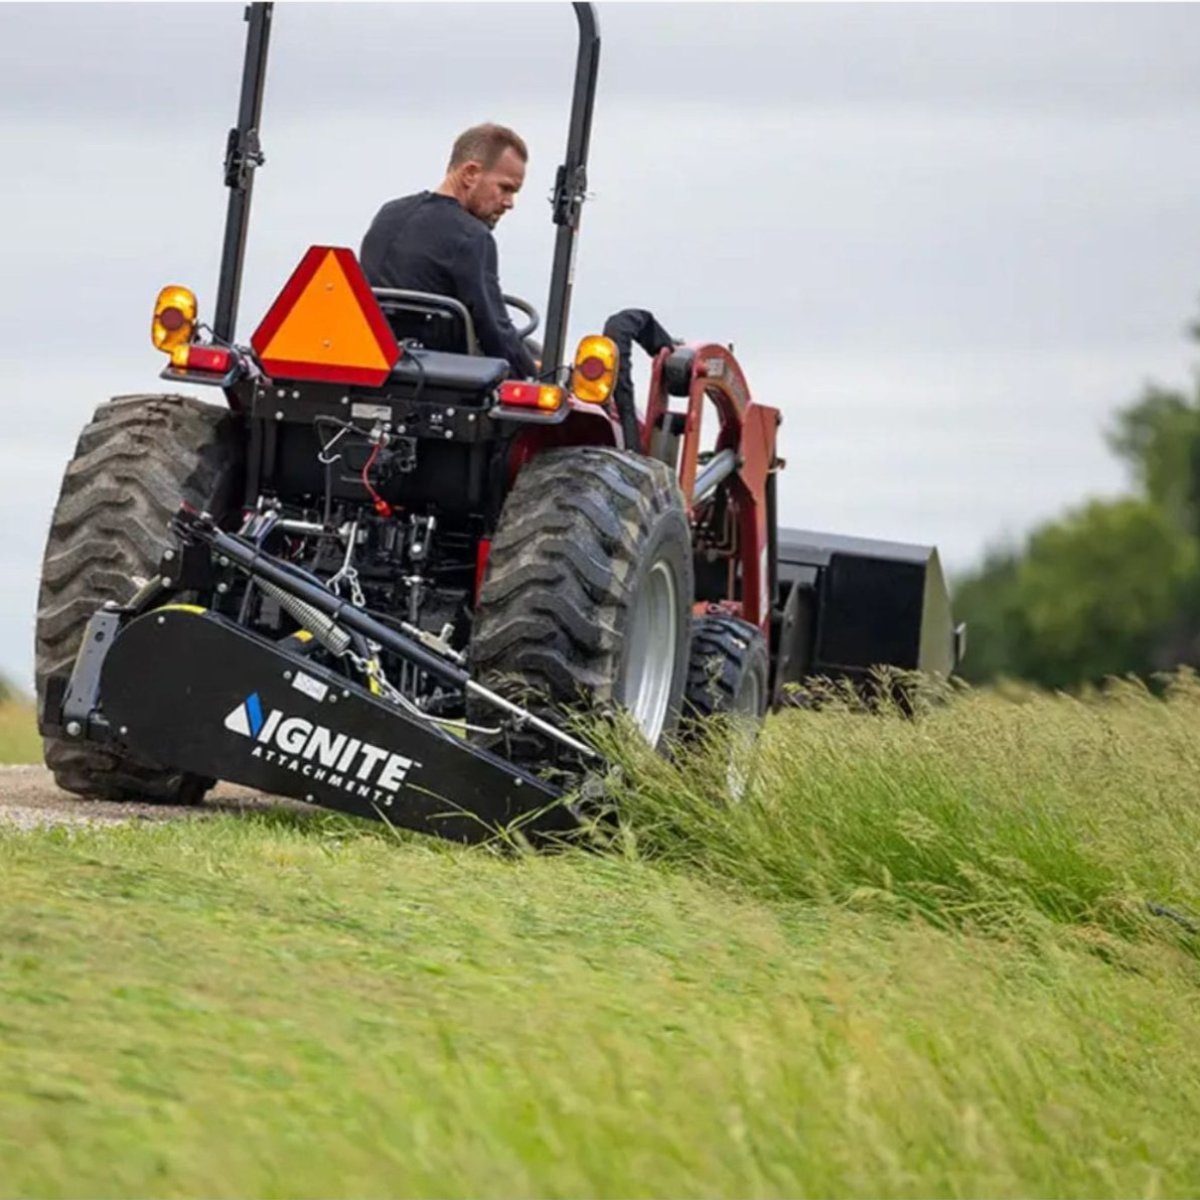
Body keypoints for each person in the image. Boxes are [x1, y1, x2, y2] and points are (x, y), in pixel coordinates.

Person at [360, 123, 538, 378]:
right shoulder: (472, 237)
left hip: (374, 367)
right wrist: (537, 381)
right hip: (441, 382)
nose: (509, 203)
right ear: (470, 174)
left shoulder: (389, 214)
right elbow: (495, 331)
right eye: (505, 188)